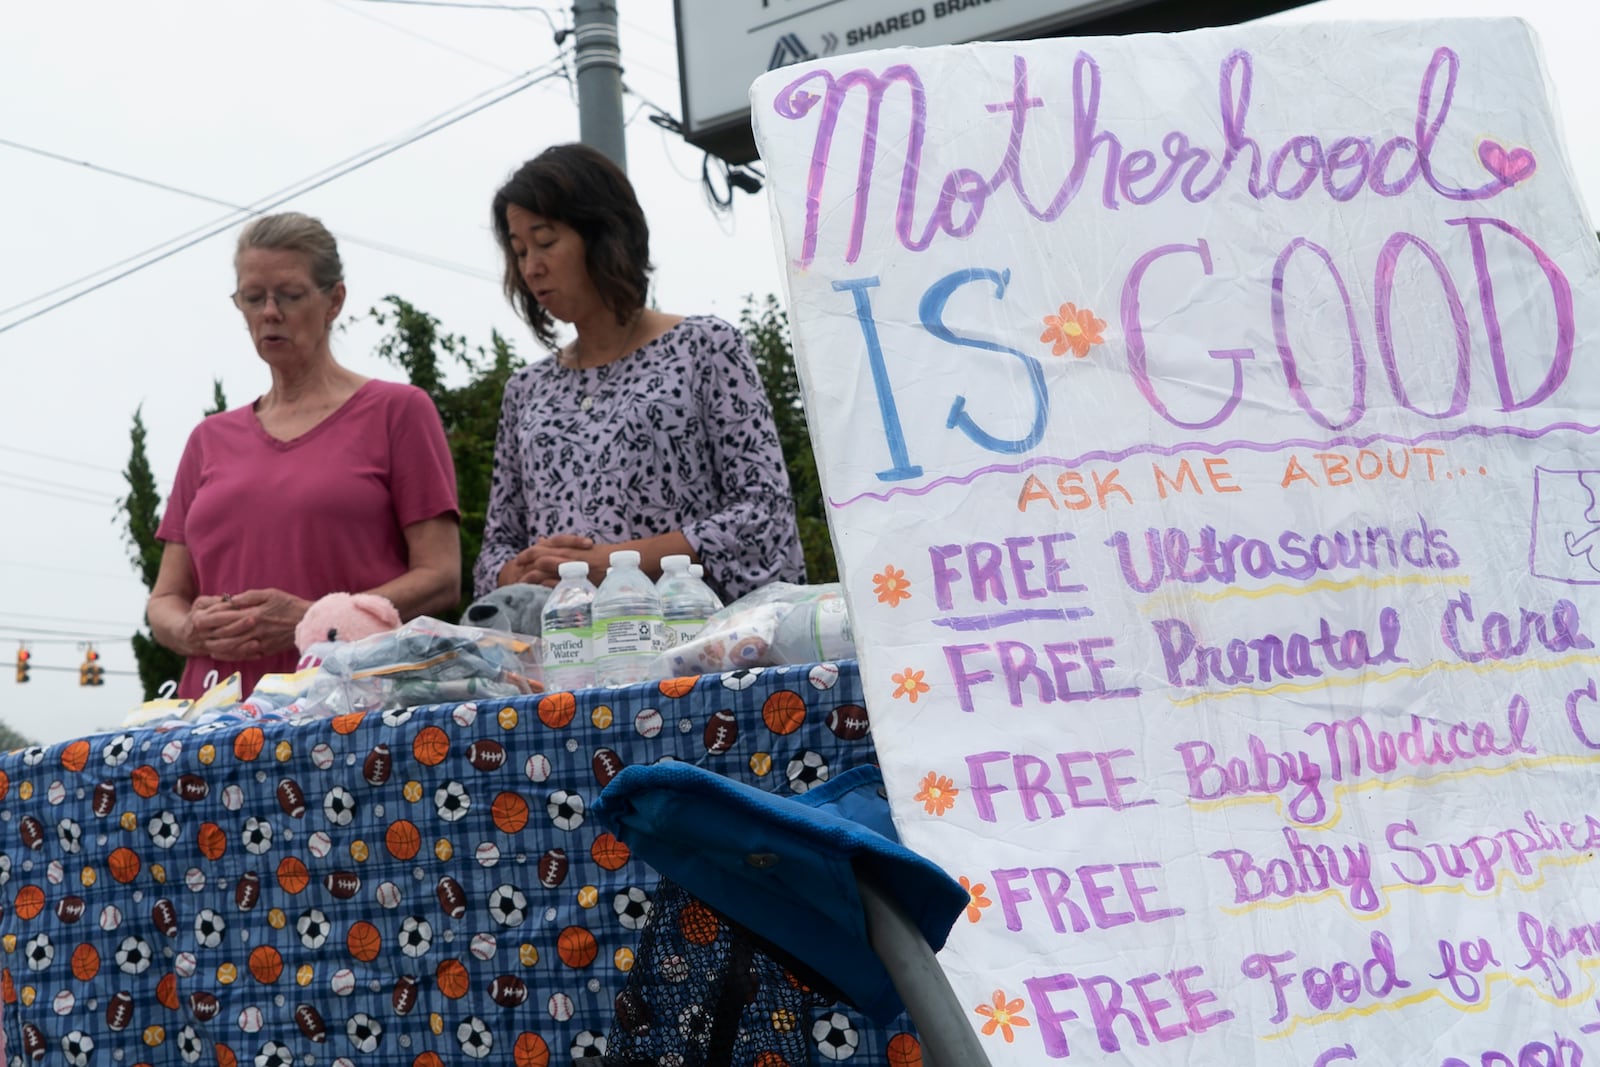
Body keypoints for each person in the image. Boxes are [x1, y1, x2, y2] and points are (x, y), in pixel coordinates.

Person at [148, 213, 461, 698]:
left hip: (347, 706)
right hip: (214, 718)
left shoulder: (397, 412)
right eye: (253, 298)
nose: (269, 312)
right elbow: (165, 598)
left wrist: (316, 618)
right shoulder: (208, 439)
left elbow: (441, 576)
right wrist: (190, 628)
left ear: (334, 299)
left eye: (289, 295)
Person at [474, 143, 805, 601]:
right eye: (519, 251)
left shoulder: (705, 348)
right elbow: (494, 551)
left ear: (604, 233)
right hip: (565, 656)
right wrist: (522, 572)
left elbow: (761, 515)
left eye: (546, 242)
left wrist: (610, 565)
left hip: (695, 650)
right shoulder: (525, 391)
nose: (531, 268)